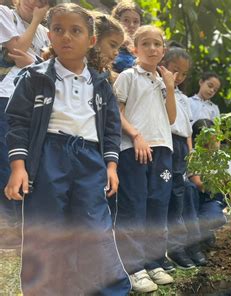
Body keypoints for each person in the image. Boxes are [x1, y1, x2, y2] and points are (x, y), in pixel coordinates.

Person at [3, 4, 131, 294]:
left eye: (76, 31)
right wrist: (18, 167)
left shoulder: (101, 84)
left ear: (91, 40)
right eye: (58, 30)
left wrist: (111, 167)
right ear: (49, 36)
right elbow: (17, 122)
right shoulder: (34, 77)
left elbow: (111, 128)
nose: (66, 37)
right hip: (48, 156)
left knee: (95, 228)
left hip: (90, 160)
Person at [113, 24, 176, 292]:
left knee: (157, 206)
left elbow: (171, 119)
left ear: (163, 50)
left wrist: (171, 88)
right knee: (134, 206)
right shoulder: (128, 76)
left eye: (157, 44)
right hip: (134, 148)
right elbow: (116, 113)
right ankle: (134, 267)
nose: (152, 49)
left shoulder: (163, 81)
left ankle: (154, 261)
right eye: (146, 44)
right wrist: (136, 136)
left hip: (163, 148)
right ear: (134, 48)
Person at [0, 0, 50, 248]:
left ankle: (23, 224)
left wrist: (33, 60)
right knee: (6, 160)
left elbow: (48, 65)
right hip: (6, 97)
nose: (35, 2)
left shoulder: (45, 32)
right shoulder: (3, 14)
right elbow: (16, 48)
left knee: (28, 162)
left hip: (35, 102)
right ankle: (8, 227)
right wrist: (36, 20)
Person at [160, 46, 197, 270]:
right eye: (175, 70)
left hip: (182, 146)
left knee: (178, 195)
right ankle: (165, 249)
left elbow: (188, 129)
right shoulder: (161, 89)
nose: (179, 77)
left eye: (184, 73)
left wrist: (190, 151)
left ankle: (177, 246)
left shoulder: (183, 97)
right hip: (166, 143)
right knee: (166, 197)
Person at [185, 119, 231, 261]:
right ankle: (194, 240)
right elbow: (199, 184)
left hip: (212, 198)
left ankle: (205, 231)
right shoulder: (194, 156)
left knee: (216, 218)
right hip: (196, 199)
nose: (215, 144)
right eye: (210, 141)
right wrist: (219, 182)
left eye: (216, 139)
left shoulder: (224, 158)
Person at [88, 12, 124, 77]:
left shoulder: (106, 75)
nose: (116, 53)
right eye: (112, 45)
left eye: (118, 48)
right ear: (94, 40)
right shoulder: (76, 67)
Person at [111, 0, 141, 73]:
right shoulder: (110, 44)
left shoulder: (141, 47)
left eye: (135, 21)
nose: (131, 25)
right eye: (126, 20)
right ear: (116, 21)